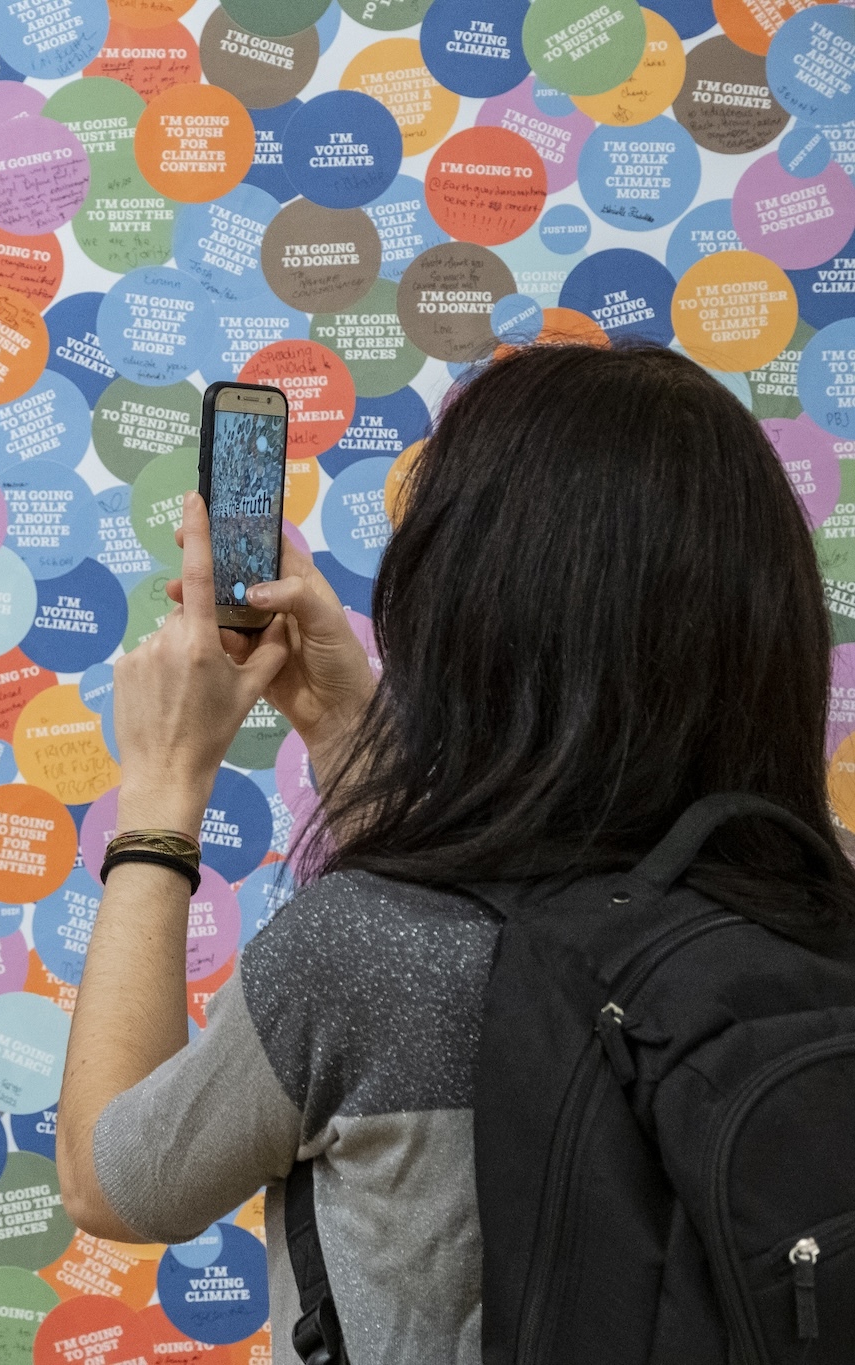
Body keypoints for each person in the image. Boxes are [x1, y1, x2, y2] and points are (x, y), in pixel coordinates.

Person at [53, 344, 855, 1363]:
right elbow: (557, 913)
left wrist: (161, 791)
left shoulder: (364, 955)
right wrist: (354, 734)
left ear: (468, 611)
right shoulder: (821, 886)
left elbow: (112, 1179)